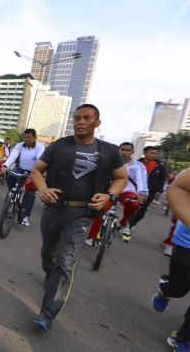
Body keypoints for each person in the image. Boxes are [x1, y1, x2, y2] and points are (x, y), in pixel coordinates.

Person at [30, 104, 127, 333]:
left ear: (97, 123)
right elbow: (36, 171)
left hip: (82, 214)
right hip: (55, 209)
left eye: (87, 118)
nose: (80, 122)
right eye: (77, 118)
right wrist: (43, 189)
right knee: (48, 252)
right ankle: (48, 272)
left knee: (66, 262)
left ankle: (47, 313)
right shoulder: (58, 146)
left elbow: (121, 177)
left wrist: (109, 195)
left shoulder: (110, 151)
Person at [151, 168, 190, 351]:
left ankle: (182, 338)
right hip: (188, 241)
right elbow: (177, 188)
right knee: (178, 288)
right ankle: (167, 289)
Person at [86, 142, 148, 245]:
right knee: (99, 209)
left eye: (127, 150)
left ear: (132, 152)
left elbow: (141, 180)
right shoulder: (109, 162)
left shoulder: (138, 166)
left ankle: (124, 223)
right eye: (122, 149)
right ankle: (91, 236)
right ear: (118, 150)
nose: (124, 152)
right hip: (110, 191)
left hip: (128, 192)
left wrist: (142, 193)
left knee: (134, 204)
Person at [1, 129, 45, 226]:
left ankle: (26, 216)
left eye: (30, 137)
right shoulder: (19, 145)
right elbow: (12, 157)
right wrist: (5, 166)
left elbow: (39, 160)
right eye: (25, 137)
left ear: (35, 137)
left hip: (33, 171)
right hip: (21, 168)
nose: (27, 139)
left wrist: (36, 174)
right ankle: (13, 193)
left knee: (30, 194)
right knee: (10, 176)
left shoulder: (40, 147)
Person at [128, 146, 168, 236]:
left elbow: (162, 179)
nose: (154, 155)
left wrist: (159, 190)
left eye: (155, 153)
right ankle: (126, 223)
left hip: (149, 192)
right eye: (151, 153)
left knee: (141, 211)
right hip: (135, 190)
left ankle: (131, 225)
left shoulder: (159, 166)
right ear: (145, 153)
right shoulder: (136, 163)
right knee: (132, 208)